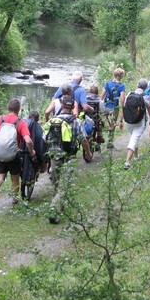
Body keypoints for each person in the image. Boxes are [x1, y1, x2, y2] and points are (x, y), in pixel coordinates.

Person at [0, 98, 35, 219]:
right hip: (13, 157)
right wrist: (31, 151)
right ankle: (14, 201)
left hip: (0, 156)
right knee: (15, 179)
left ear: (8, 108)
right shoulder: (20, 122)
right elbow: (27, 140)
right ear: (19, 109)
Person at [45, 95, 92, 223]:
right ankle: (54, 209)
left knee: (56, 181)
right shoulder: (76, 121)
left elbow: (44, 138)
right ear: (72, 107)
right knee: (64, 184)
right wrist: (87, 153)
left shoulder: (53, 120)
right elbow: (83, 140)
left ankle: (58, 205)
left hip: (54, 155)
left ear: (61, 105)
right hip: (68, 156)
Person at [123, 79, 150, 170]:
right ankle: (127, 162)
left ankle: (136, 156)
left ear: (137, 85)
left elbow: (124, 106)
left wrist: (121, 120)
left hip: (128, 120)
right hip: (140, 121)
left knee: (133, 136)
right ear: (146, 87)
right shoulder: (146, 97)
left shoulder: (129, 94)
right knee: (134, 139)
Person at [19, 110, 49, 200]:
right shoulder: (38, 128)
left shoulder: (22, 123)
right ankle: (37, 170)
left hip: (22, 152)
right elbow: (43, 140)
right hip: (33, 152)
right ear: (38, 118)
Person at [100, 68, 126, 149]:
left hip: (105, 106)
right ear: (121, 76)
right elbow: (122, 100)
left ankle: (99, 139)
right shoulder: (121, 86)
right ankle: (110, 142)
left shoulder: (107, 84)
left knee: (104, 123)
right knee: (113, 124)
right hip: (114, 108)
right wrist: (123, 107)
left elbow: (102, 96)